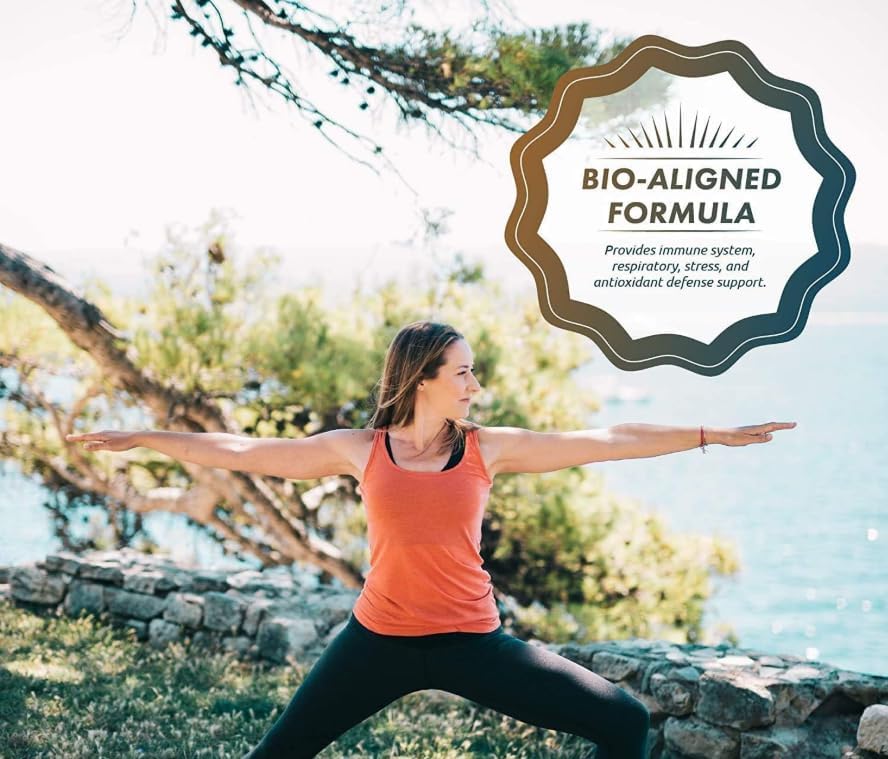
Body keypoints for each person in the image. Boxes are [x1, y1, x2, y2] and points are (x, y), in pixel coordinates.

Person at [66, 319, 796, 758]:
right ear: (423, 378)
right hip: (375, 640)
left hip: (474, 643)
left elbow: (603, 438)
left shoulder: (487, 447)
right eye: (463, 371)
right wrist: (148, 437)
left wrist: (707, 433)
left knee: (624, 718)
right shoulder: (362, 448)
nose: (474, 383)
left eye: (473, 370)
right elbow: (245, 451)